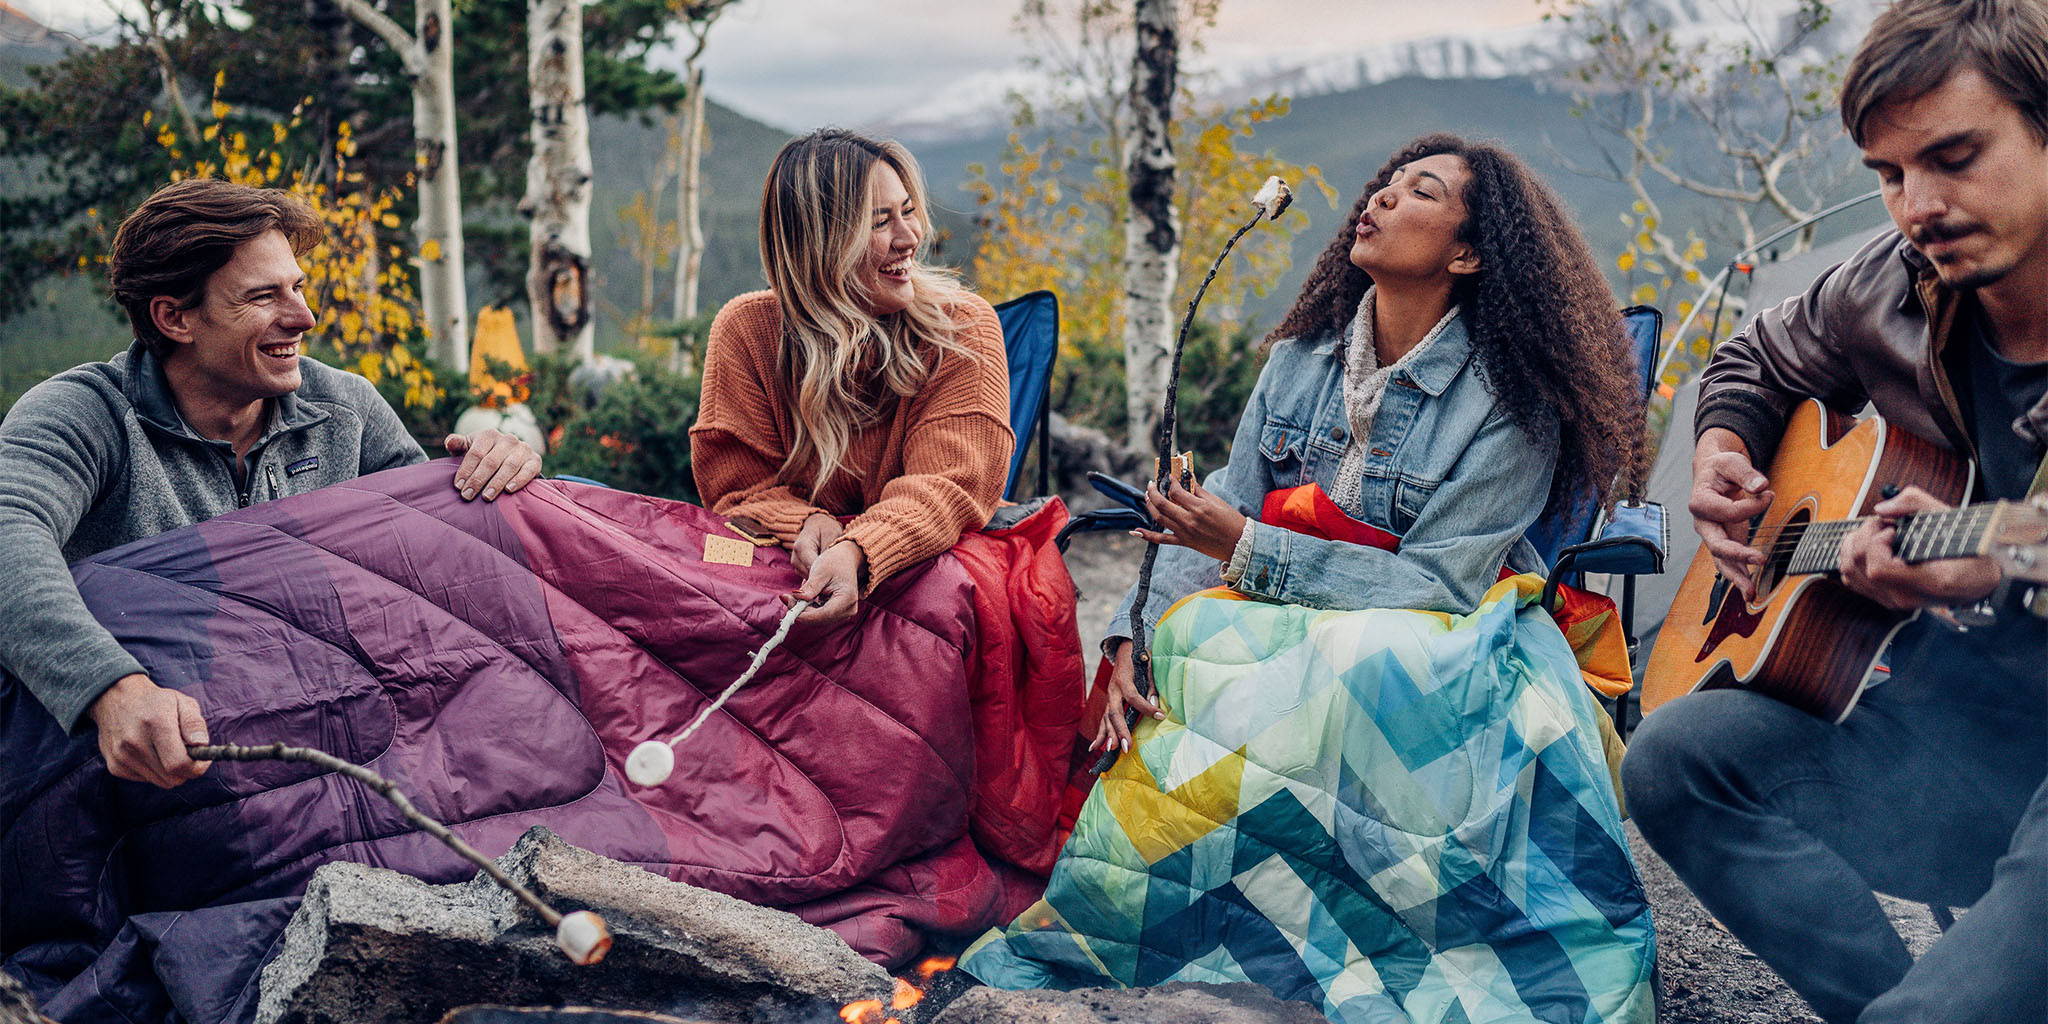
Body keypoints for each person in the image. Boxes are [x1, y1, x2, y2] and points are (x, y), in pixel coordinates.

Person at [1621, 2, 2048, 1021]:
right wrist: (1722, 444)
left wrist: (1997, 568)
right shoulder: (1891, 285)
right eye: (1890, 175)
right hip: (1954, 749)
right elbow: (1751, 358)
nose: (1916, 206)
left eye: (1953, 156)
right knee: (1677, 757)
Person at [1094, 133, 1646, 752]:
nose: (1384, 195)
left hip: (1424, 670)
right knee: (1147, 699)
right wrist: (1134, 640)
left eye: (1421, 191)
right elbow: (1225, 502)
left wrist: (1250, 549)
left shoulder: (1512, 406)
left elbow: (1441, 587)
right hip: (1277, 625)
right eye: (1391, 180)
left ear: (1465, 255)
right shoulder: (1298, 360)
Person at [0, 178, 543, 790]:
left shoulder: (347, 408)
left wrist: (492, 470)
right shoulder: (83, 414)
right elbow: (8, 538)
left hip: (313, 760)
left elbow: (433, 562)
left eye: (299, 287)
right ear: (174, 316)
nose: (303, 317)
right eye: (263, 297)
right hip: (147, 772)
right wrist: (109, 688)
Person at [689, 128, 1014, 624]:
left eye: (907, 211)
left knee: (937, 596)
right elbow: (736, 489)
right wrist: (805, 521)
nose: (910, 237)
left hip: (919, 557)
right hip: (792, 565)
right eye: (879, 222)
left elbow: (948, 483)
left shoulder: (960, 327)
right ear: (818, 243)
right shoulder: (747, 331)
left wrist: (861, 547)